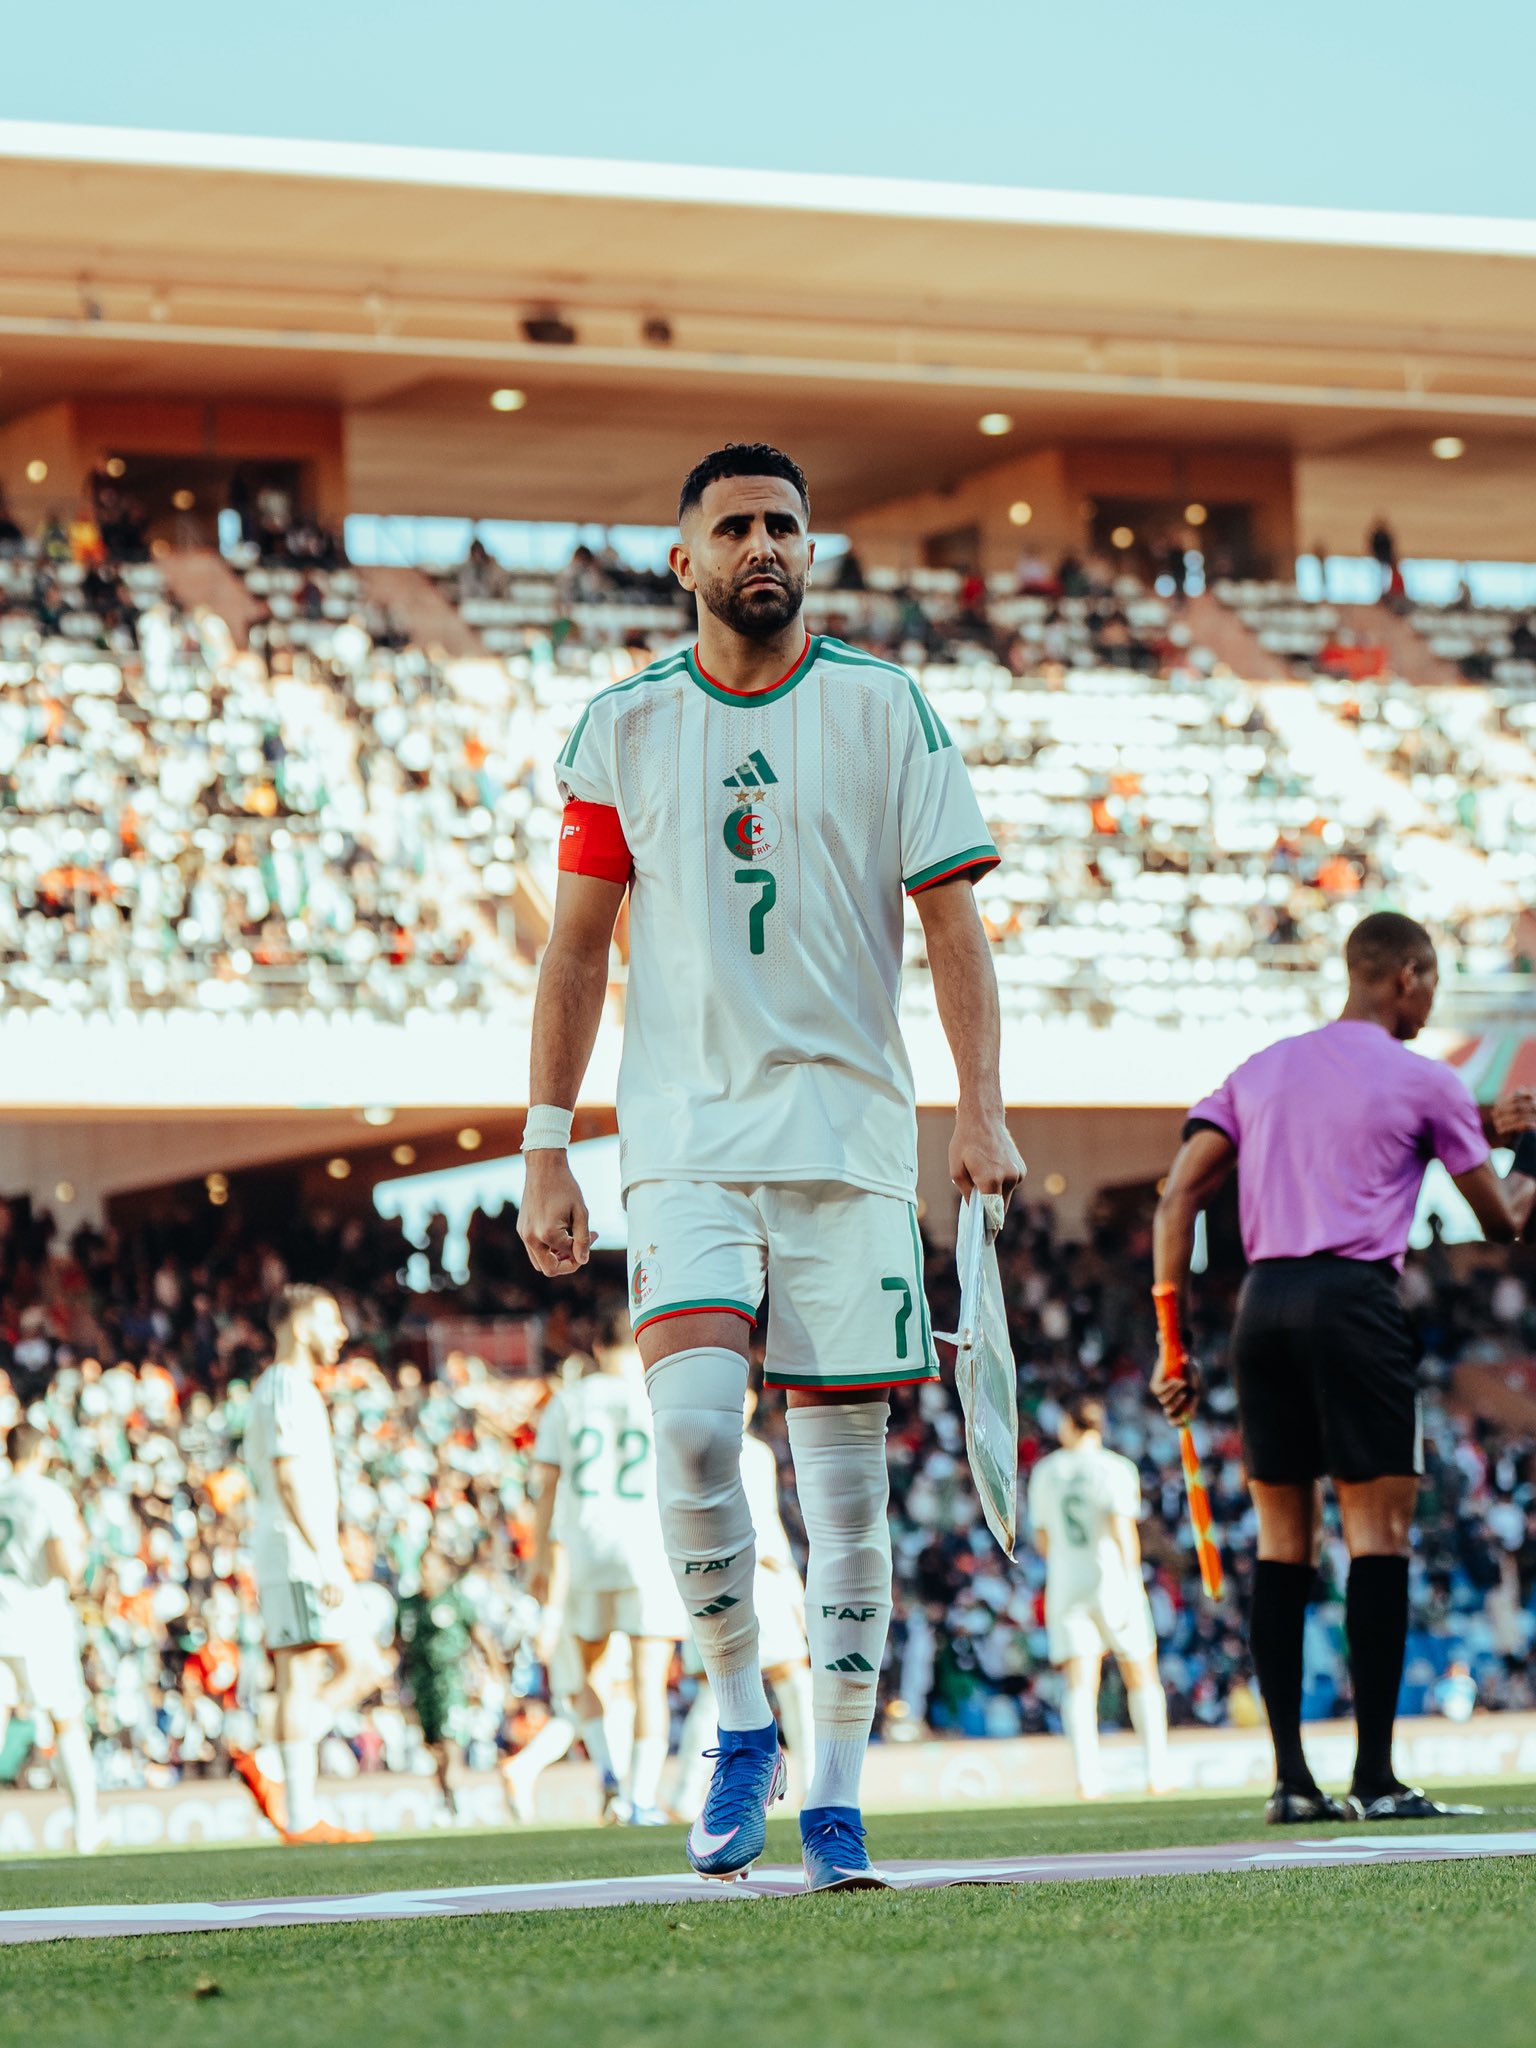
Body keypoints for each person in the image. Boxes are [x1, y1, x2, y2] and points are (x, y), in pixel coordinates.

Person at [518, 440, 1023, 1890]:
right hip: (680, 1143)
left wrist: (980, 1111)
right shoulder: (621, 727)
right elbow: (574, 951)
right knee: (691, 1434)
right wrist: (548, 1144)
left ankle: (840, 1799)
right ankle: (742, 1718)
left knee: (845, 1495)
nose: (764, 546)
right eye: (735, 525)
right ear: (682, 560)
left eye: (785, 527)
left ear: (810, 551)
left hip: (851, 1145)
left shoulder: (888, 705)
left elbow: (955, 928)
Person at [1151, 910, 1536, 1824]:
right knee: (1378, 1535)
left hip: (1261, 1306)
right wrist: (1528, 1148)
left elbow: (1176, 1199)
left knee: (1282, 1542)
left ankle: (1291, 1783)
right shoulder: (1427, 1078)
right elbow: (1504, 1218)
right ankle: (1375, 1780)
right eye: (1432, 982)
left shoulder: (1262, 1070)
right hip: (1356, 1303)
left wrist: (1173, 1345)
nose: (1431, 1001)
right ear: (1406, 976)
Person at [236, 1283, 385, 1844]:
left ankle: (275, 1772)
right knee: (308, 1675)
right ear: (300, 1326)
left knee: (350, 1667)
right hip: (297, 1552)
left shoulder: (289, 1387)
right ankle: (296, 1813)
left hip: (297, 1549)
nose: (342, 1333)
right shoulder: (284, 1386)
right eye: (331, 1321)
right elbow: (289, 1476)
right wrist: (324, 1558)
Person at [528, 1311, 685, 1825]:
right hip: (649, 1547)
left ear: (596, 1347)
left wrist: (539, 1558)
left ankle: (611, 1776)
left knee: (587, 1672)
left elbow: (546, 1485)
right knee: (648, 1682)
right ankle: (641, 1798)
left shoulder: (568, 1400)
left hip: (585, 1547)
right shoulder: (660, 1395)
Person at [673, 1382, 815, 1816]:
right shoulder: (750, 1452)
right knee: (787, 1680)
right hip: (757, 1573)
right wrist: (790, 1585)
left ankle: (685, 1793)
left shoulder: (700, 1450)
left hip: (718, 1574)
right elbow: (765, 1526)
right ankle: (814, 1785)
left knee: (721, 1688)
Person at [1027, 1395, 1170, 1800]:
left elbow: (1043, 1540)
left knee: (1080, 1682)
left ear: (1069, 1424)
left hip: (1067, 1582)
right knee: (1140, 1673)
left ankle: (1087, 1780)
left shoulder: (1046, 1471)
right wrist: (1132, 1581)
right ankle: (1156, 1773)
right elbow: (1123, 1530)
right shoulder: (1116, 1468)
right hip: (1111, 1577)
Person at [0, 1423, 102, 1853]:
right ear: (40, 1452)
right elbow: (63, 1563)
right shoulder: (47, 1494)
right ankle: (86, 1830)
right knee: (67, 1720)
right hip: (38, 1621)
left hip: (2, 1616)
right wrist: (80, 1564)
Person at [396, 1545, 503, 1820]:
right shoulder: (409, 1606)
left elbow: (481, 1637)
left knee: (451, 1739)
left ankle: (455, 1799)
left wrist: (496, 1674)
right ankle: (445, 1797)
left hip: (450, 1679)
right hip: (420, 1682)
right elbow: (398, 1645)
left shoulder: (456, 1601)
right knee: (434, 1746)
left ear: (445, 1570)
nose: (426, 1573)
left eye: (431, 1567)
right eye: (422, 1566)